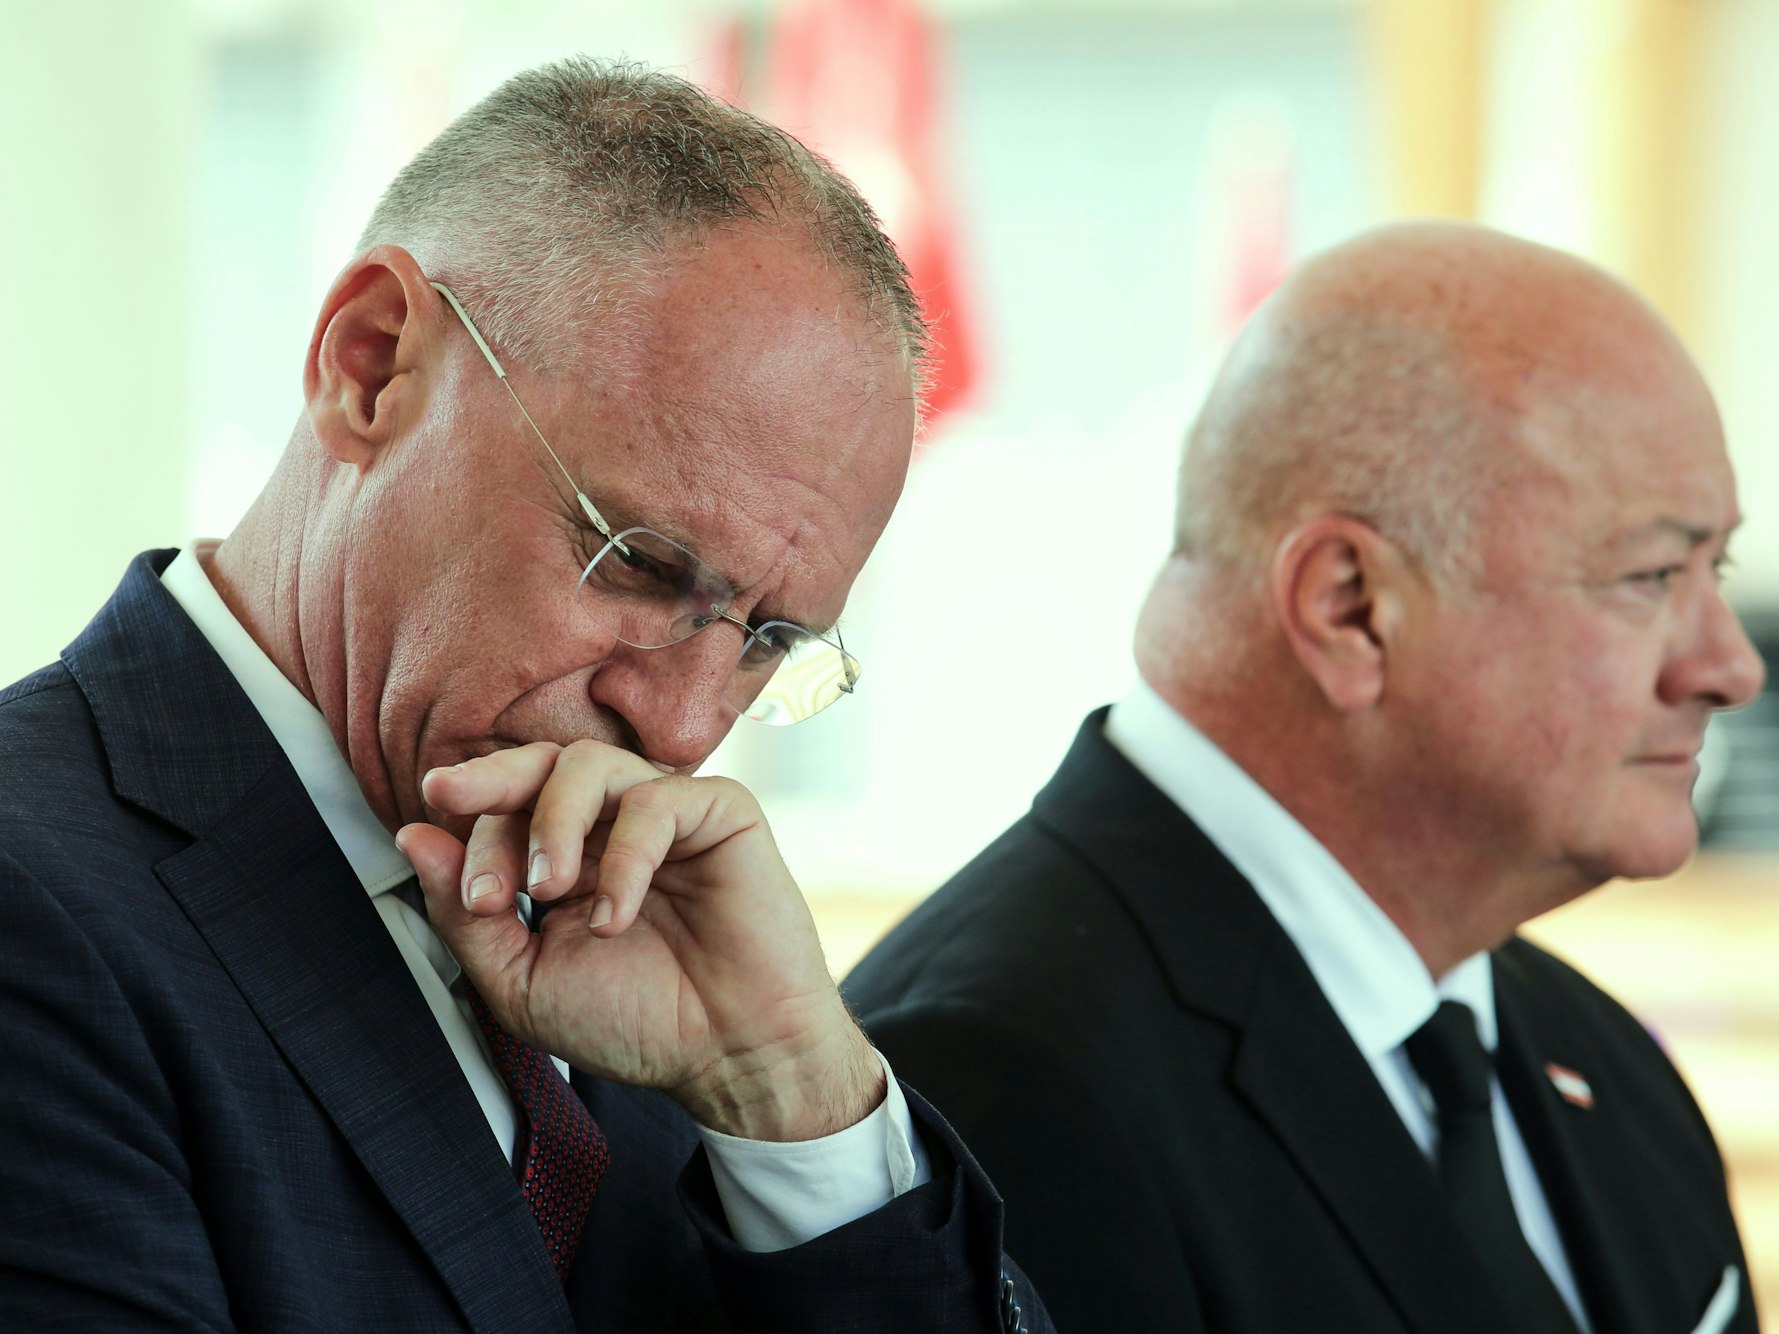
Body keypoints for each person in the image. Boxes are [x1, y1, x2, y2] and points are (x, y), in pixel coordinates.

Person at [0, 58, 1046, 1334]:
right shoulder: (36, 910)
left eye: (770, 639)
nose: (682, 727)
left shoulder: (675, 978)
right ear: (372, 366)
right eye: (641, 564)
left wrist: (791, 1096)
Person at [846, 222, 1766, 1333]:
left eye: (1714, 567)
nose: (1729, 666)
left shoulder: (1600, 1059)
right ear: (1349, 607)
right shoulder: (987, 1080)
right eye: (1652, 575)